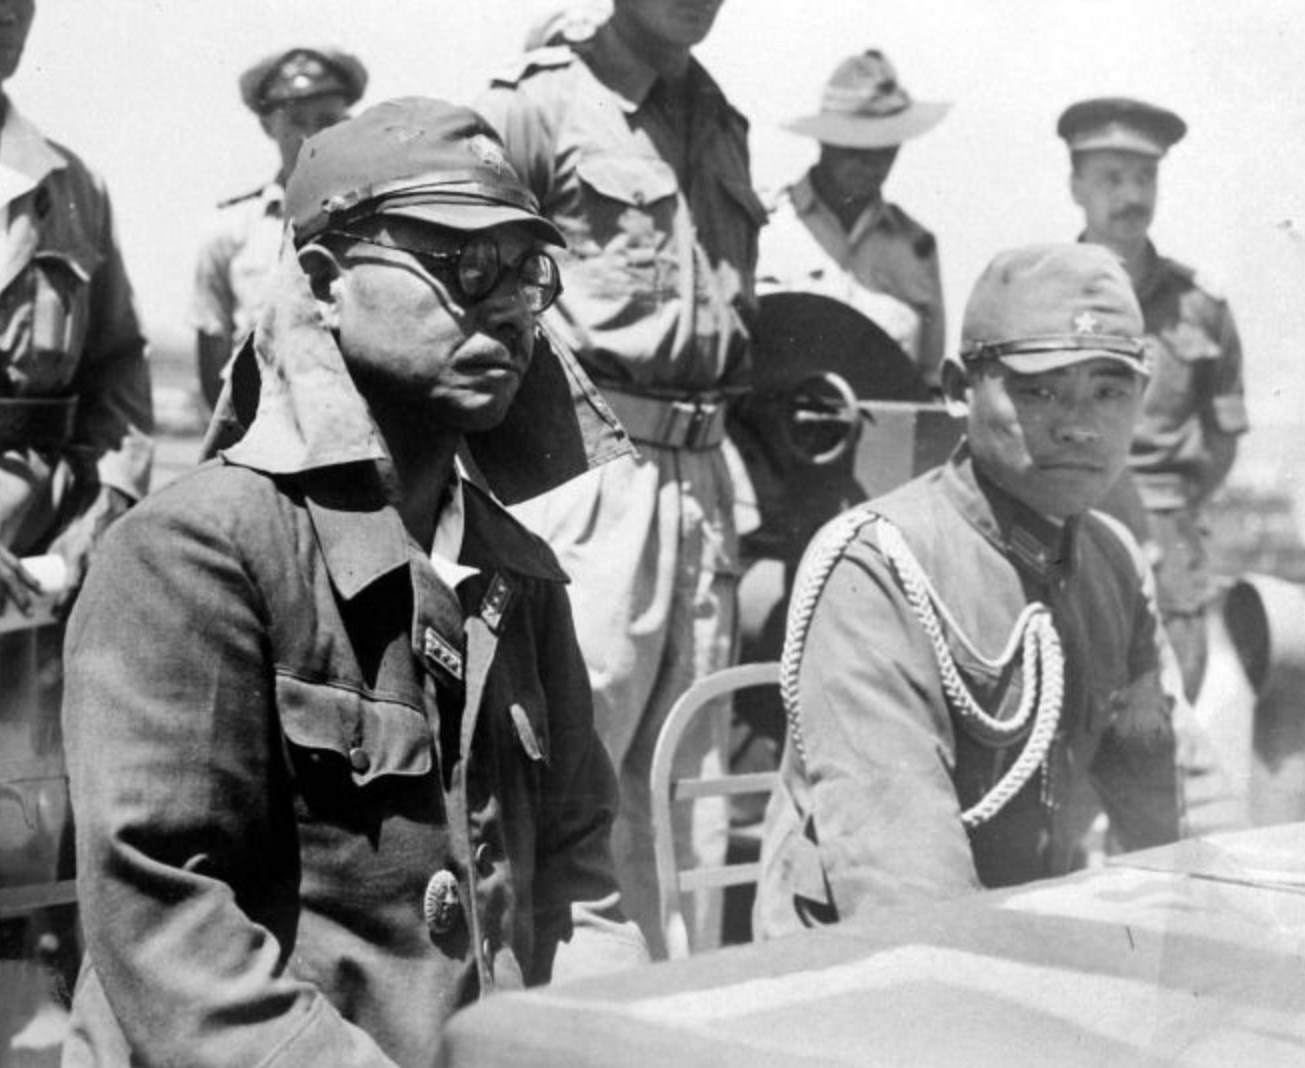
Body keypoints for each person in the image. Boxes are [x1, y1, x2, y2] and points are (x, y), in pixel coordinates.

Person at [62, 98, 647, 1068]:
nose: (507, 304)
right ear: (326, 284)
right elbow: (168, 920)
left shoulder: (518, 576)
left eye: (527, 271)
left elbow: (583, 876)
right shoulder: (192, 555)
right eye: (465, 264)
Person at [756, 244, 1182, 937]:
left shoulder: (1112, 563)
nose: (1080, 424)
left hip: (1019, 950)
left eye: (1110, 391)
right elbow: (904, 886)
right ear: (959, 389)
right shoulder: (880, 566)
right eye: (1040, 390)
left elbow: (1170, 801)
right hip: (857, 982)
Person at [475, 0, 763, 956]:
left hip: (699, 477)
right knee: (564, 752)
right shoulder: (541, 106)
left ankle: (667, 1023)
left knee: (686, 774)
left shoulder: (717, 115)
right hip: (586, 467)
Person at [0, 0, 152, 1027]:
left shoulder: (66, 186)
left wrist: (77, 549)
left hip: (28, 581)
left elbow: (119, 379)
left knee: (21, 840)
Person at [1058, 97, 1248, 700]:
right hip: (1064, 523)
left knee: (1167, 731)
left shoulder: (1201, 306)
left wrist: (1171, 511)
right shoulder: (1041, 293)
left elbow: (1223, 435)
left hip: (1168, 542)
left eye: (1145, 177)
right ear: (1076, 186)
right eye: (1112, 178)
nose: (1131, 196)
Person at [759, 49, 950, 390]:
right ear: (825, 140)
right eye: (858, 148)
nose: (872, 164)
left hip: (882, 433)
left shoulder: (916, 248)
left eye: (886, 149)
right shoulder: (761, 227)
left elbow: (928, 381)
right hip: (766, 429)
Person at [188, 46, 366, 409]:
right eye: (296, 121)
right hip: (254, 430)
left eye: (327, 121)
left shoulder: (374, 226)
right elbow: (212, 367)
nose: (311, 137)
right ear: (268, 125)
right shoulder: (231, 231)